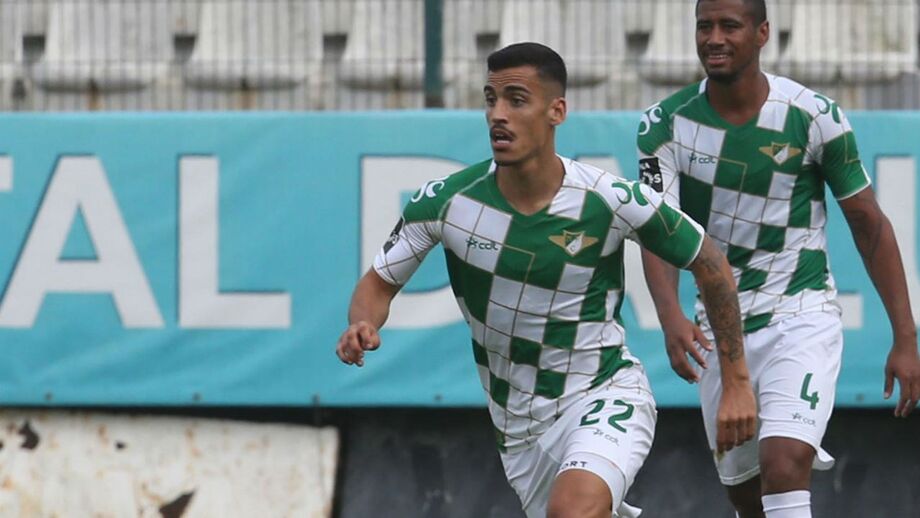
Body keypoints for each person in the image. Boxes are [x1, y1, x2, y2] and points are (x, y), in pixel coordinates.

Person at [337, 42, 756, 518]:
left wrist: (736, 381)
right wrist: (362, 323)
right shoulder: (445, 203)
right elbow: (378, 285)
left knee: (572, 511)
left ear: (557, 111)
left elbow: (711, 263)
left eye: (516, 100)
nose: (498, 114)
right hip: (519, 432)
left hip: (604, 393)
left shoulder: (607, 199)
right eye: (491, 99)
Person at [637, 1, 920, 517]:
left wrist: (905, 336)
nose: (714, 38)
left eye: (730, 26)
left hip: (800, 314)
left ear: (763, 33)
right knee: (748, 497)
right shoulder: (663, 125)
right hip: (720, 329)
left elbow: (870, 225)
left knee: (784, 462)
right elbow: (659, 229)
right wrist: (670, 314)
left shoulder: (814, 116)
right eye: (705, 26)